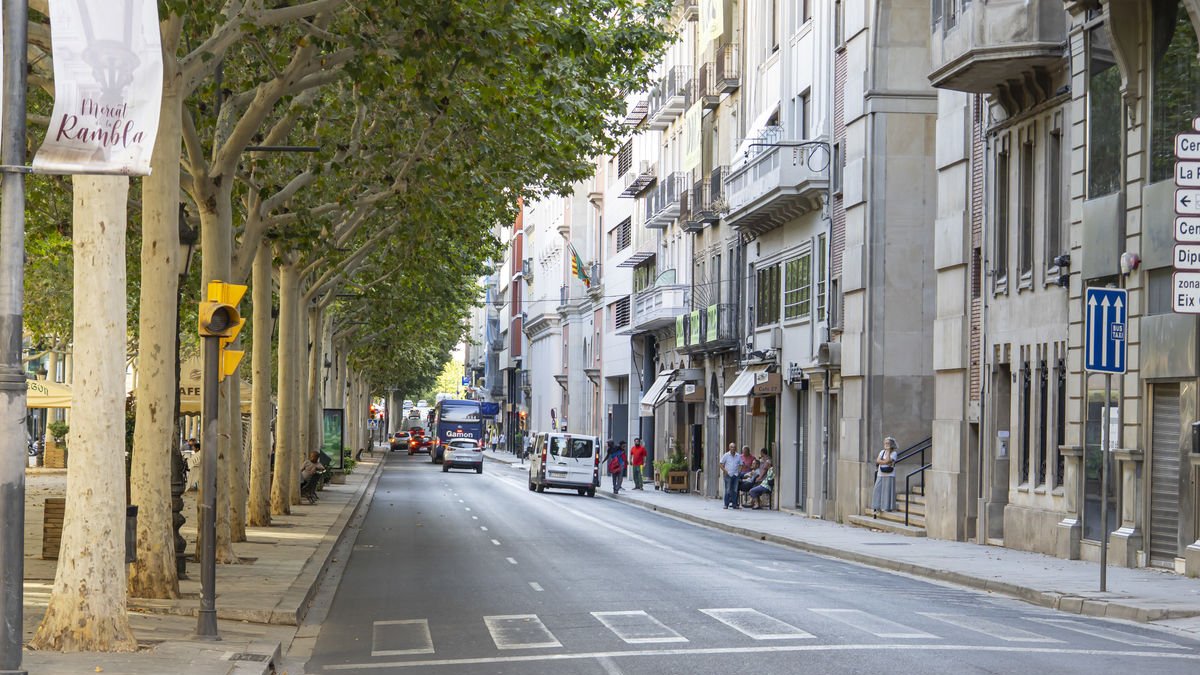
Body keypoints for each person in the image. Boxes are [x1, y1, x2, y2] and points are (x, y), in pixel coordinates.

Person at [870, 436, 899, 517]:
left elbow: (889, 461)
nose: (886, 445)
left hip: (889, 474)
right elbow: (878, 461)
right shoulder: (882, 452)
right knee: (877, 489)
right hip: (880, 473)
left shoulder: (894, 453)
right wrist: (884, 462)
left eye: (888, 443)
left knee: (887, 491)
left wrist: (889, 452)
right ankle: (876, 507)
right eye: (885, 443)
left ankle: (887, 507)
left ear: (891, 444)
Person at [720, 443, 742, 509]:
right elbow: (721, 464)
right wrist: (725, 471)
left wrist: (739, 471)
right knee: (728, 490)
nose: (733, 448)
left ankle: (734, 504)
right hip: (728, 475)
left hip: (735, 475)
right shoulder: (726, 455)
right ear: (729, 448)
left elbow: (741, 464)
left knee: (735, 490)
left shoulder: (738, 456)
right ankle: (726, 504)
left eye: (734, 447)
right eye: (732, 447)